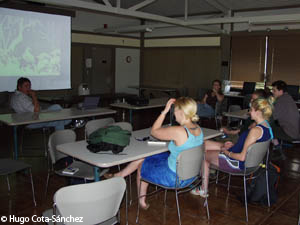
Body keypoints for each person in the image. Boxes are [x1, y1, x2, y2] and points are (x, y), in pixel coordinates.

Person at [104, 97, 203, 209]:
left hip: (174, 177)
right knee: (145, 156)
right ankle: (120, 175)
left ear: (181, 112)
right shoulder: (198, 129)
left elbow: (154, 131)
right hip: (191, 175)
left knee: (142, 165)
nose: (173, 114)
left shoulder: (178, 131)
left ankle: (142, 202)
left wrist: (164, 111)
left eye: (174, 110)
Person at [191, 97, 274, 197]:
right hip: (248, 159)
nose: (249, 112)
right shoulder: (267, 127)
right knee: (203, 144)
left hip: (236, 162)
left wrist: (226, 152)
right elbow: (248, 147)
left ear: (258, 112)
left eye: (251, 110)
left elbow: (242, 157)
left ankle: (203, 189)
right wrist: (233, 146)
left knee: (204, 156)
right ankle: (200, 172)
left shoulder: (255, 131)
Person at [271, 80, 300, 146]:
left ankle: (276, 146)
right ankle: (276, 144)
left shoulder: (281, 100)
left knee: (265, 128)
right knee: (271, 127)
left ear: (280, 91)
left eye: (274, 90)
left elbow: (272, 117)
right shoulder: (287, 97)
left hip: (290, 133)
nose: (272, 92)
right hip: (294, 131)